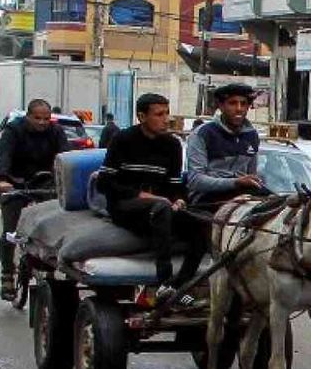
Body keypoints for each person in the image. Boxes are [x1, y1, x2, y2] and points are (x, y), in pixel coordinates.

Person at [99, 93, 204, 299]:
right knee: (161, 208)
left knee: (200, 223)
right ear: (141, 116)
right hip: (126, 207)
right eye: (159, 114)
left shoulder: (173, 145)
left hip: (161, 208)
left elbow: (175, 185)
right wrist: (144, 196)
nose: (166, 119)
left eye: (167, 113)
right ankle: (163, 279)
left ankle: (179, 286)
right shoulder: (123, 139)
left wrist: (180, 199)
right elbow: (105, 182)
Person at [0, 99, 69, 300]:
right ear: (28, 116)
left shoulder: (56, 132)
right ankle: (7, 274)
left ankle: (49, 265)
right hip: (15, 181)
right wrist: (2, 179)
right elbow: (4, 156)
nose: (42, 122)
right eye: (37, 118)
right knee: (10, 231)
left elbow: (66, 156)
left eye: (46, 118)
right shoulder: (13, 131)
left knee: (54, 223)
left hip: (44, 182)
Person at [186, 82, 263, 204]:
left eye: (243, 104)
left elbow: (251, 174)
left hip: (242, 195)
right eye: (232, 103)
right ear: (221, 106)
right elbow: (195, 180)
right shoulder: (202, 134)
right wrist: (235, 182)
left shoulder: (252, 135)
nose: (239, 109)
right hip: (206, 198)